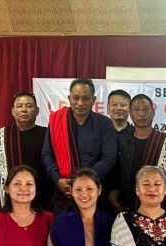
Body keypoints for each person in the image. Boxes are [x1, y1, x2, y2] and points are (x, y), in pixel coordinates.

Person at [42, 78, 118, 211]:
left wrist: (85, 181)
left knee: (94, 231)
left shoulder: (105, 124)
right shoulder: (56, 121)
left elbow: (109, 157)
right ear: (69, 98)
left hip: (93, 190)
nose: (80, 103)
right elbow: (46, 154)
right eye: (75, 98)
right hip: (64, 190)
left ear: (94, 100)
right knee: (65, 230)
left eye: (86, 98)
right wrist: (58, 179)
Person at [109, 94, 166, 213]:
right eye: (136, 109)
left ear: (153, 112)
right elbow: (114, 174)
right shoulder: (121, 141)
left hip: (161, 208)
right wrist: (113, 198)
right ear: (130, 113)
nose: (141, 114)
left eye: (145, 109)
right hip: (125, 208)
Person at [0, 92, 53, 210]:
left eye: (29, 106)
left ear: (37, 111)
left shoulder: (48, 135)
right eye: (19, 106)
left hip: (42, 198)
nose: (24, 110)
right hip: (9, 198)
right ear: (13, 111)